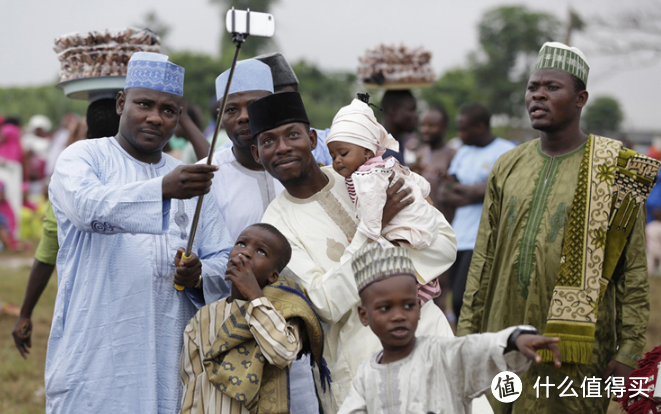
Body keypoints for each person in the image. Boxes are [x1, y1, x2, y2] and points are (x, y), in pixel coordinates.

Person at [458, 42, 660, 413]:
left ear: (580, 98)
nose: (537, 94)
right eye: (533, 87)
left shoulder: (615, 171)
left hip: (576, 349)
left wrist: (630, 348)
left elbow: (631, 270)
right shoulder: (507, 166)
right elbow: (483, 258)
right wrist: (467, 337)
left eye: (552, 87)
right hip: (503, 333)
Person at [46, 52, 233, 413]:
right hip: (95, 351)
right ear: (121, 103)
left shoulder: (188, 177)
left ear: (178, 118)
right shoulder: (83, 157)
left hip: (169, 350)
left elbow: (222, 257)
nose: (154, 117)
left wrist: (198, 275)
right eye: (144, 104)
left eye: (168, 110)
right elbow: (87, 208)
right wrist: (162, 190)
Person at [250, 91, 458, 413]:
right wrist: (375, 231)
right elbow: (325, 303)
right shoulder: (274, 226)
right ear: (256, 153)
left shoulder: (371, 173)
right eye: (268, 141)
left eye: (292, 135)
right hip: (360, 364)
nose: (283, 148)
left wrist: (388, 244)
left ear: (312, 137)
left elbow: (444, 243)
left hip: (429, 338)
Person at [203, 58, 319, 414]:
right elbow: (208, 259)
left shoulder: (300, 164)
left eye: (252, 106)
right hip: (241, 332)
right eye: (230, 109)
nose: (241, 117)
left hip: (310, 324)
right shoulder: (209, 179)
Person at [338, 243, 561, 414]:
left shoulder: (442, 353)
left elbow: (479, 348)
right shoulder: (366, 374)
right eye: (385, 308)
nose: (398, 316)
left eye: (408, 305)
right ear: (364, 315)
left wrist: (515, 340)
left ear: (418, 306)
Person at [12, 97, 121, 358]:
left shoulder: (69, 176)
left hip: (82, 310)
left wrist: (25, 313)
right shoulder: (150, 175)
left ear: (87, 132)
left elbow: (48, 250)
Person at [180, 223, 328, 414]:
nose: (246, 253)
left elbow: (282, 351)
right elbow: (192, 382)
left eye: (261, 252)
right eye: (241, 243)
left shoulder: (283, 313)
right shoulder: (204, 316)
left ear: (273, 275)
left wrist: (255, 296)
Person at [326, 98, 439, 250]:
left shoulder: (368, 176)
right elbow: (412, 177)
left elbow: (372, 210)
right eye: (333, 156)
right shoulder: (384, 164)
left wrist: (367, 239)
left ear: (367, 152)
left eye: (344, 153)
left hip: (408, 232)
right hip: (425, 223)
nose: (337, 161)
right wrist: (425, 193)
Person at [441, 103, 515, 320]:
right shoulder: (463, 152)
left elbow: (496, 190)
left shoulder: (505, 150)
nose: (460, 134)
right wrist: (475, 192)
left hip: (482, 238)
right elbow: (446, 191)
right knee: (454, 298)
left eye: (463, 129)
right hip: (458, 236)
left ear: (480, 127)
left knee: (463, 300)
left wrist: (471, 190)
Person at [380, 90, 418, 165]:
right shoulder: (388, 153)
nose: (416, 115)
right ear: (392, 111)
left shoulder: (394, 143)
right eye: (411, 109)